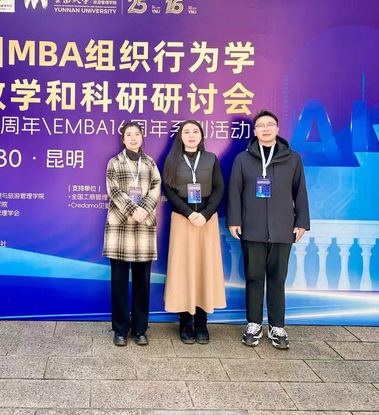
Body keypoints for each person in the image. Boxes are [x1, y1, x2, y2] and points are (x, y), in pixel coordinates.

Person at [226, 109, 310, 349]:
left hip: (283, 229)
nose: (265, 129)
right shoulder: (243, 159)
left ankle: (277, 326)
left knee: (277, 278)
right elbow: (234, 192)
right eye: (260, 125)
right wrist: (234, 220)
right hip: (251, 229)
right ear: (254, 131)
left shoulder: (292, 159)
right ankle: (253, 324)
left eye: (270, 125)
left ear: (277, 129)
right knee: (253, 277)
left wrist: (301, 222)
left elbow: (300, 192)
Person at [162, 120, 226, 344]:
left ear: (201, 135)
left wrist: (205, 214)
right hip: (183, 220)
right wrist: (189, 213)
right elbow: (169, 190)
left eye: (195, 131)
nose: (191, 135)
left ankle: (201, 323)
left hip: (207, 221)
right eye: (186, 132)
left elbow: (219, 188)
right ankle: (185, 323)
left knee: (204, 269)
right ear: (180, 136)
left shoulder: (211, 159)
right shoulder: (172, 160)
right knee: (184, 269)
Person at [103, 121, 161, 346]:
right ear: (123, 139)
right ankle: (120, 329)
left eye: (137, 134)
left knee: (142, 281)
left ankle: (140, 329)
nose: (133, 138)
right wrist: (132, 209)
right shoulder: (114, 162)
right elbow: (113, 190)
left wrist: (143, 209)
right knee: (118, 281)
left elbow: (156, 187)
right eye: (129, 134)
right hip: (120, 228)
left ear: (142, 137)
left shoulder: (150, 163)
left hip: (144, 227)